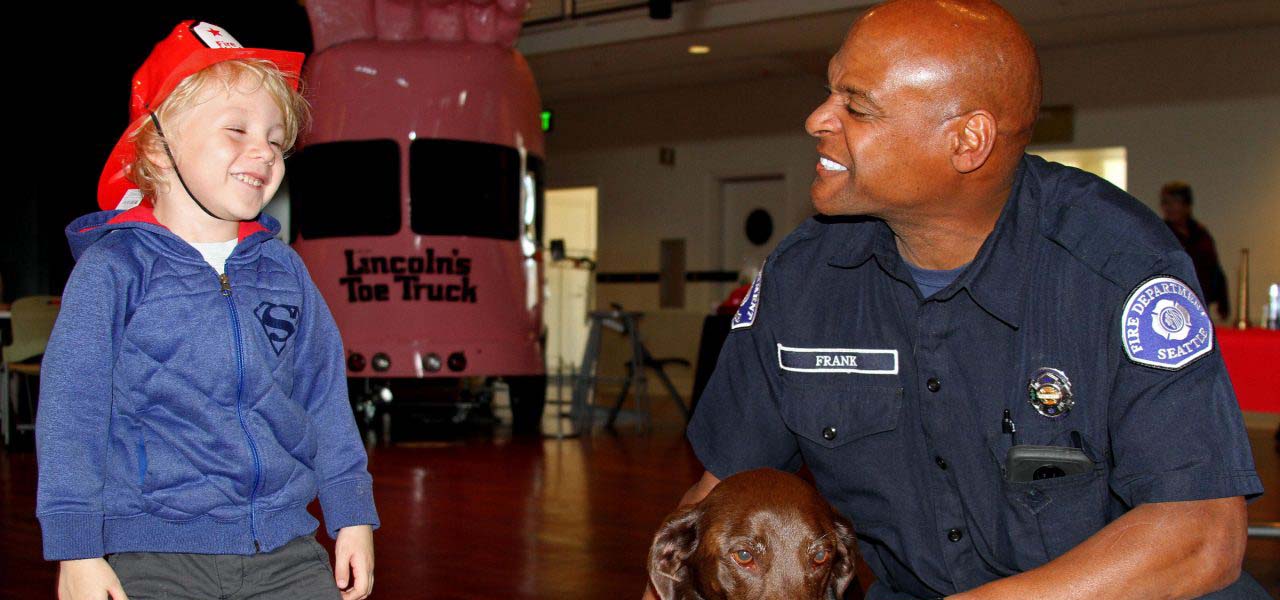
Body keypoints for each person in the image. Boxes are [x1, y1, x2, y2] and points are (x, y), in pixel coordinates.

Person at [649, 1, 1265, 599]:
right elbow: (716, 501)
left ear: (967, 141)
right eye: (830, 92)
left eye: (856, 106)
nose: (818, 118)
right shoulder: (804, 279)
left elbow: (1202, 535)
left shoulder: (1114, 267)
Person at [37, 21, 378, 600]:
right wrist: (77, 551)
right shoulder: (114, 271)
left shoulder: (283, 270)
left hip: (285, 550)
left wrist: (352, 514)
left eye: (275, 138)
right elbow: (72, 415)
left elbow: (324, 399)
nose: (263, 151)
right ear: (157, 146)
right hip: (154, 555)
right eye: (237, 129)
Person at [1160, 181, 1231, 320]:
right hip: (1171, 302)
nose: (1170, 207)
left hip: (1200, 301)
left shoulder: (1201, 234)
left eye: (1175, 202)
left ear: (1187, 205)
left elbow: (1214, 269)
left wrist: (1223, 303)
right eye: (1166, 202)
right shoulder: (1160, 233)